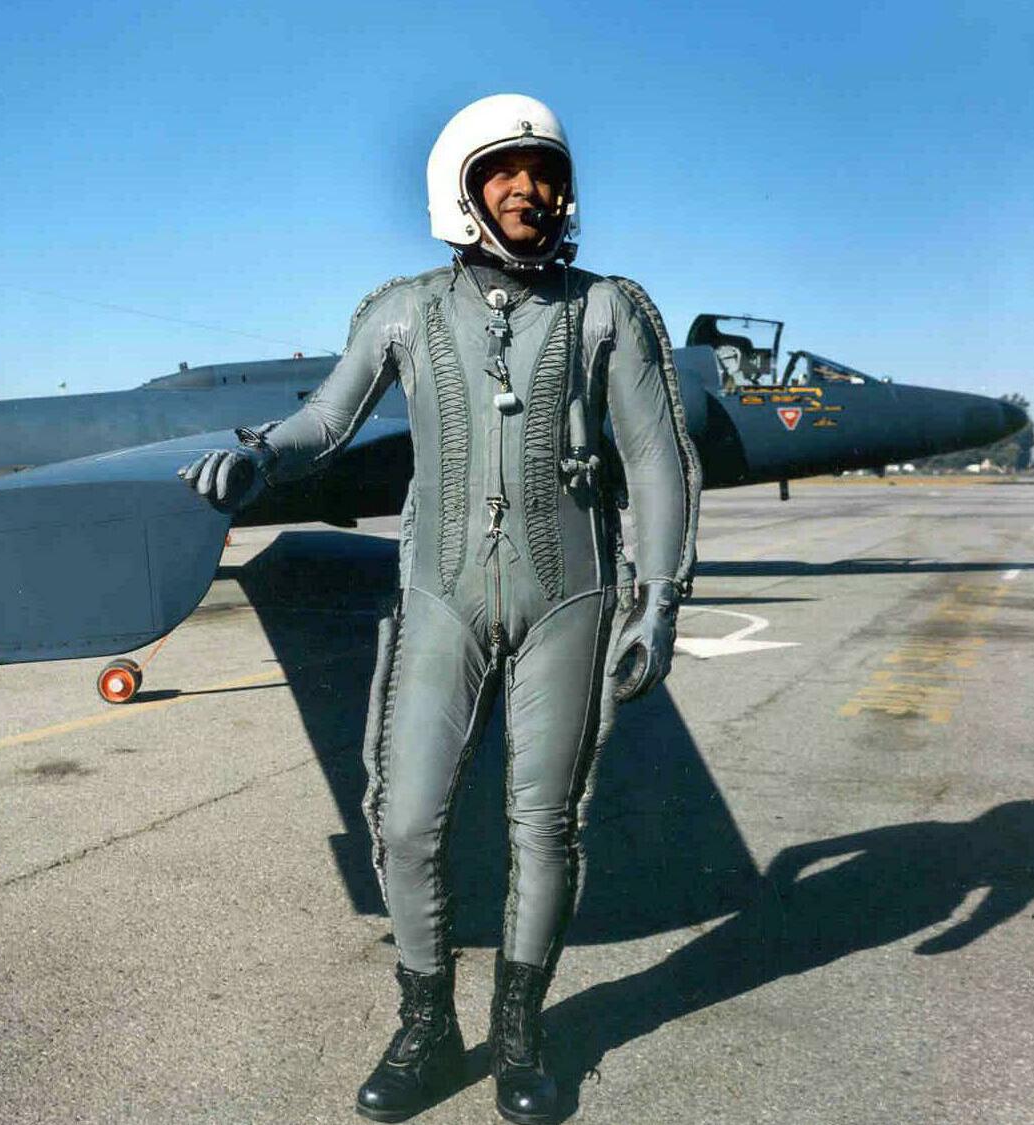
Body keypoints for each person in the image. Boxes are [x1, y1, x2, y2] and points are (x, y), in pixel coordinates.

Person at [180, 93, 700, 1124]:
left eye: (543, 172)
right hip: (441, 598)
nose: (527, 189)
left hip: (570, 599)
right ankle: (427, 1024)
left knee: (542, 825)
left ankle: (518, 1031)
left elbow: (656, 461)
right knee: (405, 819)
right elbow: (323, 422)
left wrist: (659, 596)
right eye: (504, 171)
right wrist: (257, 460)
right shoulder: (402, 311)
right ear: (460, 187)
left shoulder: (608, 310)